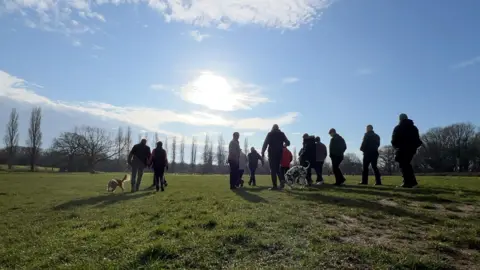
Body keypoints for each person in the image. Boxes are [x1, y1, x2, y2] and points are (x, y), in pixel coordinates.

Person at [391, 113, 423, 188]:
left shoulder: (398, 127)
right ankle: (413, 182)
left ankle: (407, 182)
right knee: (407, 164)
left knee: (403, 165)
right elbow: (417, 139)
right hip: (411, 149)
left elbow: (394, 139)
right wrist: (414, 147)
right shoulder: (414, 127)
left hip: (402, 149)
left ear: (400, 119)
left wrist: (396, 147)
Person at [261, 124, 290, 190]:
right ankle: (282, 180)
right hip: (279, 153)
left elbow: (265, 143)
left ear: (272, 128)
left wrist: (262, 152)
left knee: (273, 170)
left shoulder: (270, 134)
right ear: (278, 128)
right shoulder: (282, 134)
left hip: (272, 153)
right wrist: (284, 145)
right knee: (277, 168)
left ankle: (274, 186)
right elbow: (288, 143)